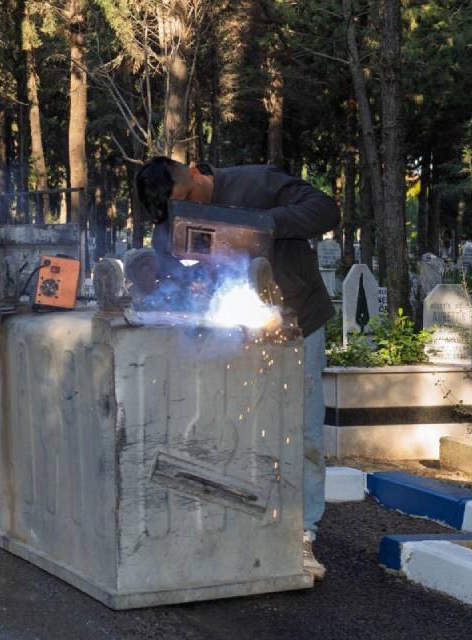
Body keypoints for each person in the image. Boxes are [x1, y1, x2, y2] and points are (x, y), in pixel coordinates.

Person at [134, 156, 340, 581]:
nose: (187, 211)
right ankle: (238, 521)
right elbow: (170, 275)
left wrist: (260, 224)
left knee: (302, 432)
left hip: (297, 321)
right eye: (176, 210)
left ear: (193, 172)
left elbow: (327, 210)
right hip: (229, 331)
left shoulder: (256, 183)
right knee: (233, 428)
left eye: (189, 199)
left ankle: (303, 532)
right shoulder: (168, 226)